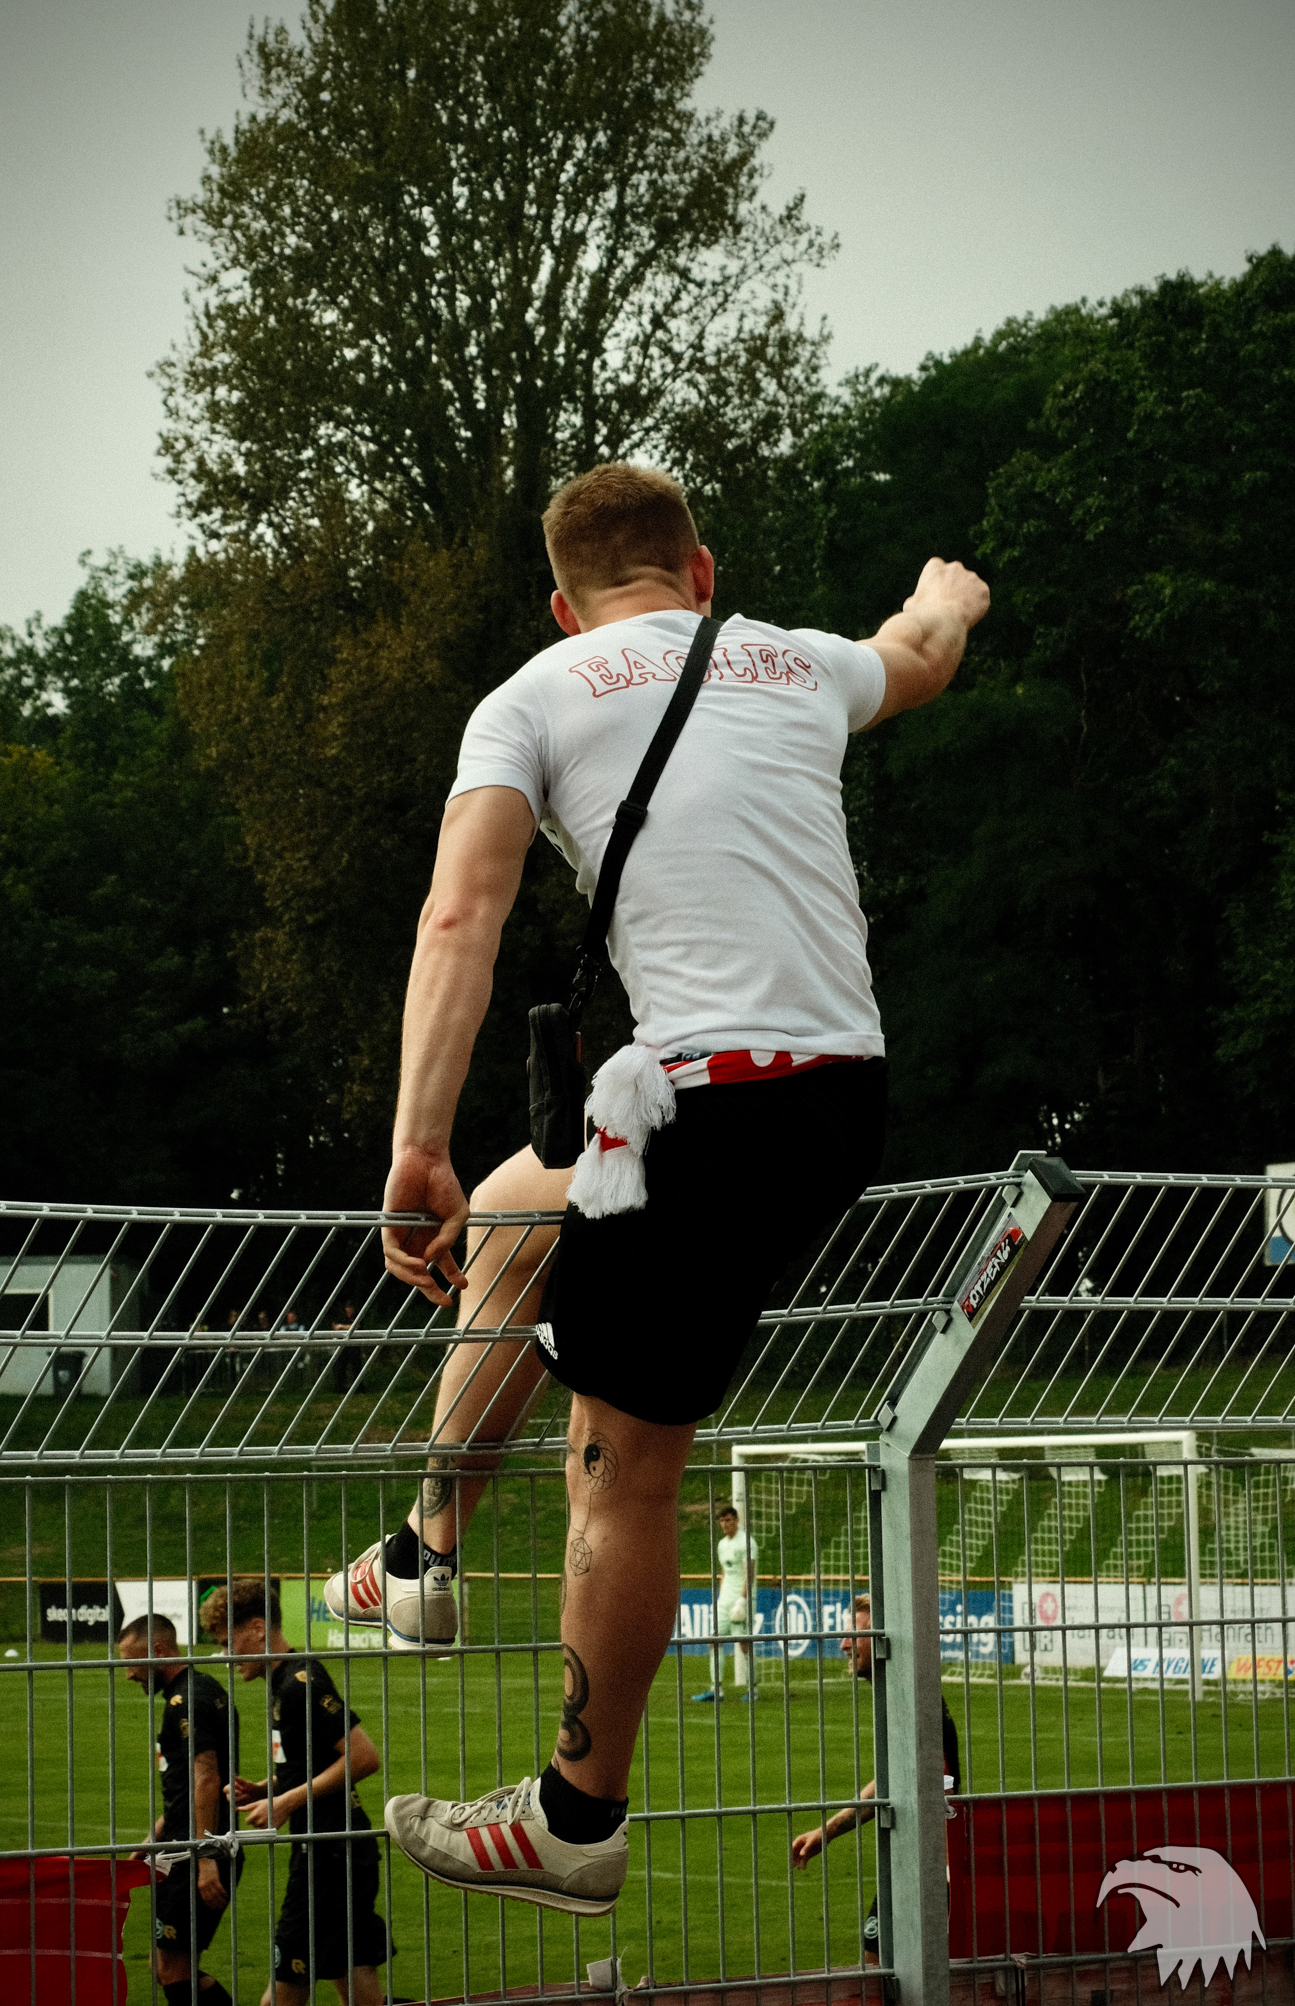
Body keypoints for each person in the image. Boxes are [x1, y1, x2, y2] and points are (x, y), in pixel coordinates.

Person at [324, 462, 988, 1916]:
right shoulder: (797, 661)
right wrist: (945, 595)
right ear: (699, 572)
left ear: (564, 606)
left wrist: (416, 1142)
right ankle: (424, 1548)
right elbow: (920, 653)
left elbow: (460, 912)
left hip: (709, 1105)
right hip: (830, 1094)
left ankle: (573, 1817)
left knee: (622, 1467)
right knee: (515, 1217)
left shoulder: (531, 696)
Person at [200, 1577, 391, 2006]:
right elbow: (314, 1760)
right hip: (338, 1849)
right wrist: (269, 1787)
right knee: (362, 2001)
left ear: (257, 1628)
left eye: (228, 1643)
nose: (226, 1656)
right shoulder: (282, 1682)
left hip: (330, 1855)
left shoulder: (298, 1683)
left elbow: (363, 1757)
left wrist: (285, 1802)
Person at [790, 1594, 960, 1966]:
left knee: (895, 1969)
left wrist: (829, 1831)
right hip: (911, 1858)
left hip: (935, 1866)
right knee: (876, 1962)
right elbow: (896, 1777)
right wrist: (827, 1830)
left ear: (884, 1638)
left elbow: (922, 1783)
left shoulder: (912, 1699)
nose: (843, 1644)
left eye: (856, 1634)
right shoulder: (900, 1694)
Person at [116, 1612, 246, 2006]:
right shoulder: (200, 1689)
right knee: (167, 1966)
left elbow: (207, 1778)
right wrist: (154, 1836)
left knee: (172, 1967)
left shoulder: (186, 1700)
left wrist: (204, 1857)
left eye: (131, 1663)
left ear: (158, 1651)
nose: (128, 1674)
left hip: (196, 1853)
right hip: (183, 1846)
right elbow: (186, 1786)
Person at [692, 1503, 758, 1704]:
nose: (724, 1524)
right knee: (714, 1641)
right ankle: (716, 1689)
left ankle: (753, 1689)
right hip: (725, 1599)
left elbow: (749, 1574)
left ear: (736, 1520)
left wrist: (742, 1599)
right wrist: (721, 1596)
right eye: (721, 1521)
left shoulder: (746, 1542)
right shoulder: (722, 1544)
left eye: (728, 1520)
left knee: (744, 1643)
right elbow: (724, 1573)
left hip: (741, 1599)